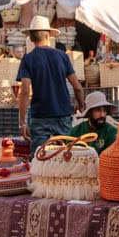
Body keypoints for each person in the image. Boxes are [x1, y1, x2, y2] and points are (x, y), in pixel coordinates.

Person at [18, 16, 85, 155]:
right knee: (66, 155)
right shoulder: (62, 56)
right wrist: (81, 104)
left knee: (39, 156)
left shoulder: (28, 59)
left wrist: (22, 121)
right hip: (63, 114)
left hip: (40, 116)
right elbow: (77, 87)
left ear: (31, 38)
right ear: (48, 36)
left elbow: (25, 91)